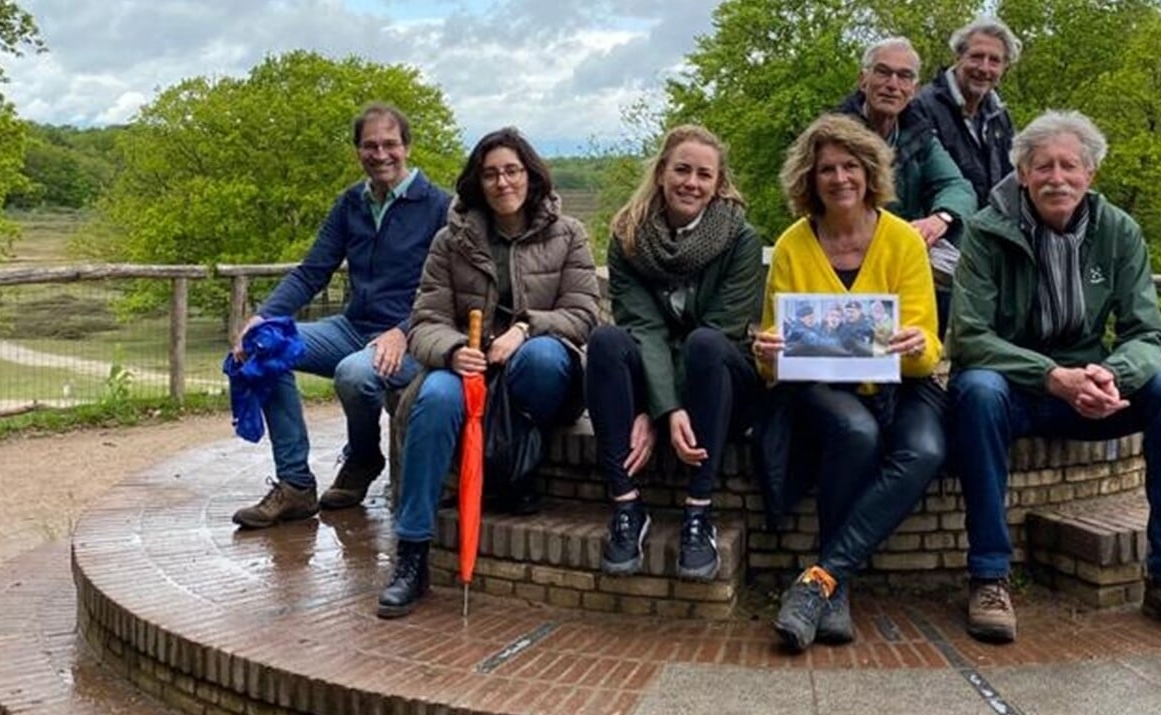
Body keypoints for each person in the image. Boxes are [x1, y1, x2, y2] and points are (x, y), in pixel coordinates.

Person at [947, 110, 1161, 646]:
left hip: (1093, 385)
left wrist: (1111, 374)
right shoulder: (985, 232)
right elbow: (970, 338)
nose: (1058, 178)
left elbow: (1148, 332)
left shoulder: (1118, 230)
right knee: (976, 391)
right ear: (1023, 174)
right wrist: (1052, 376)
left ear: (1090, 174)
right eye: (1044, 166)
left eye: (1070, 166)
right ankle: (988, 575)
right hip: (1018, 390)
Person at [378, 128, 601, 618]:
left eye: (512, 170)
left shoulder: (569, 234)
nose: (503, 182)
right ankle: (411, 554)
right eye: (492, 173)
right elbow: (425, 320)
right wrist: (456, 350)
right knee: (433, 399)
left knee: (541, 361)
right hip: (468, 367)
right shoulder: (449, 240)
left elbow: (585, 313)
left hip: (538, 366)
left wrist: (526, 329)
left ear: (531, 174)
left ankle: (508, 471)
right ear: (478, 182)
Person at [754, 114, 945, 653]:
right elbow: (775, 348)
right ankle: (835, 593)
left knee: (927, 448)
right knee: (856, 432)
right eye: (826, 169)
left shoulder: (904, 240)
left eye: (850, 166)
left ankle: (822, 580)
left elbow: (928, 350)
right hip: (821, 385)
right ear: (809, 180)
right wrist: (768, 351)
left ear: (870, 172)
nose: (839, 178)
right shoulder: (794, 243)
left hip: (901, 385)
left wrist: (912, 346)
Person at [231, 103, 452, 529]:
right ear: (358, 152)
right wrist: (264, 318)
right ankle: (296, 486)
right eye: (370, 145)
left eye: (390, 144)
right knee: (265, 349)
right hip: (353, 327)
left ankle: (363, 458)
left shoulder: (440, 206)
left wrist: (403, 331)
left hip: (414, 336)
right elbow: (314, 270)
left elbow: (452, 291)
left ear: (407, 147)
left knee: (355, 374)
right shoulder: (351, 203)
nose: (381, 154)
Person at [584, 125, 764, 580]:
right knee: (606, 342)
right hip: (662, 373)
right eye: (682, 170)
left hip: (723, 382)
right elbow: (641, 326)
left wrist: (661, 407)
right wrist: (658, 406)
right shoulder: (629, 235)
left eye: (704, 175)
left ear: (718, 184)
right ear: (662, 172)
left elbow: (719, 329)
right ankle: (626, 505)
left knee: (705, 343)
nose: (691, 182)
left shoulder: (740, 240)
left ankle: (699, 512)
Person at [833, 37, 976, 254]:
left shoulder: (920, 135)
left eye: (904, 76)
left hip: (902, 252)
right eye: (883, 72)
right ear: (863, 80)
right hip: (844, 250)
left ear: (914, 90)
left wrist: (941, 218)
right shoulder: (832, 136)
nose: (893, 85)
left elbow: (958, 187)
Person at [917, 17, 1021, 198]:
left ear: (1005, 67)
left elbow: (1012, 177)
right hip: (941, 220)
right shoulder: (922, 107)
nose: (984, 68)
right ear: (958, 57)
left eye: (994, 60)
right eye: (976, 57)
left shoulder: (999, 115)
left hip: (988, 223)